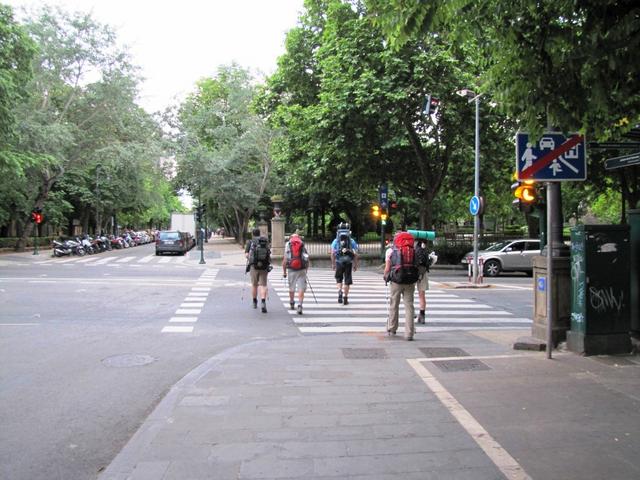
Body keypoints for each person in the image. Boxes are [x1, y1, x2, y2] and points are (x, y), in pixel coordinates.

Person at [384, 231, 419, 341]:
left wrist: (385, 276)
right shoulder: (412, 250)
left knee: (394, 304)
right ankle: (409, 333)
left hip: (396, 281)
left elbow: (387, 268)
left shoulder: (390, 251)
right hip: (410, 281)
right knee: (409, 305)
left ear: (395, 240)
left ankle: (392, 328)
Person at [330, 222, 359, 305]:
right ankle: (345, 298)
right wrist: (355, 264)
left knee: (339, 279)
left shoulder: (336, 241)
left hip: (339, 262)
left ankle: (340, 291)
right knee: (347, 281)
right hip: (348, 262)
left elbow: (332, 253)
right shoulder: (351, 241)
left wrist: (333, 264)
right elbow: (356, 254)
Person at [282, 233, 310, 315]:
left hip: (291, 269)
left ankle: (292, 302)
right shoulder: (302, 244)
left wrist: (284, 272)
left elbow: (285, 260)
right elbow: (307, 258)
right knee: (301, 289)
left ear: (290, 238)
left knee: (292, 287)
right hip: (302, 269)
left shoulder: (288, 245)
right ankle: (300, 305)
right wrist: (306, 270)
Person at [245, 228, 271, 313]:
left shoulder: (250, 242)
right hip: (264, 266)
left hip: (254, 266)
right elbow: (268, 253)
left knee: (254, 285)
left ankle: (254, 302)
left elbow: (246, 255)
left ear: (252, 234)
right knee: (263, 285)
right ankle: (263, 302)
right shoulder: (265, 241)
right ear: (259, 233)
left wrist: (251, 259)